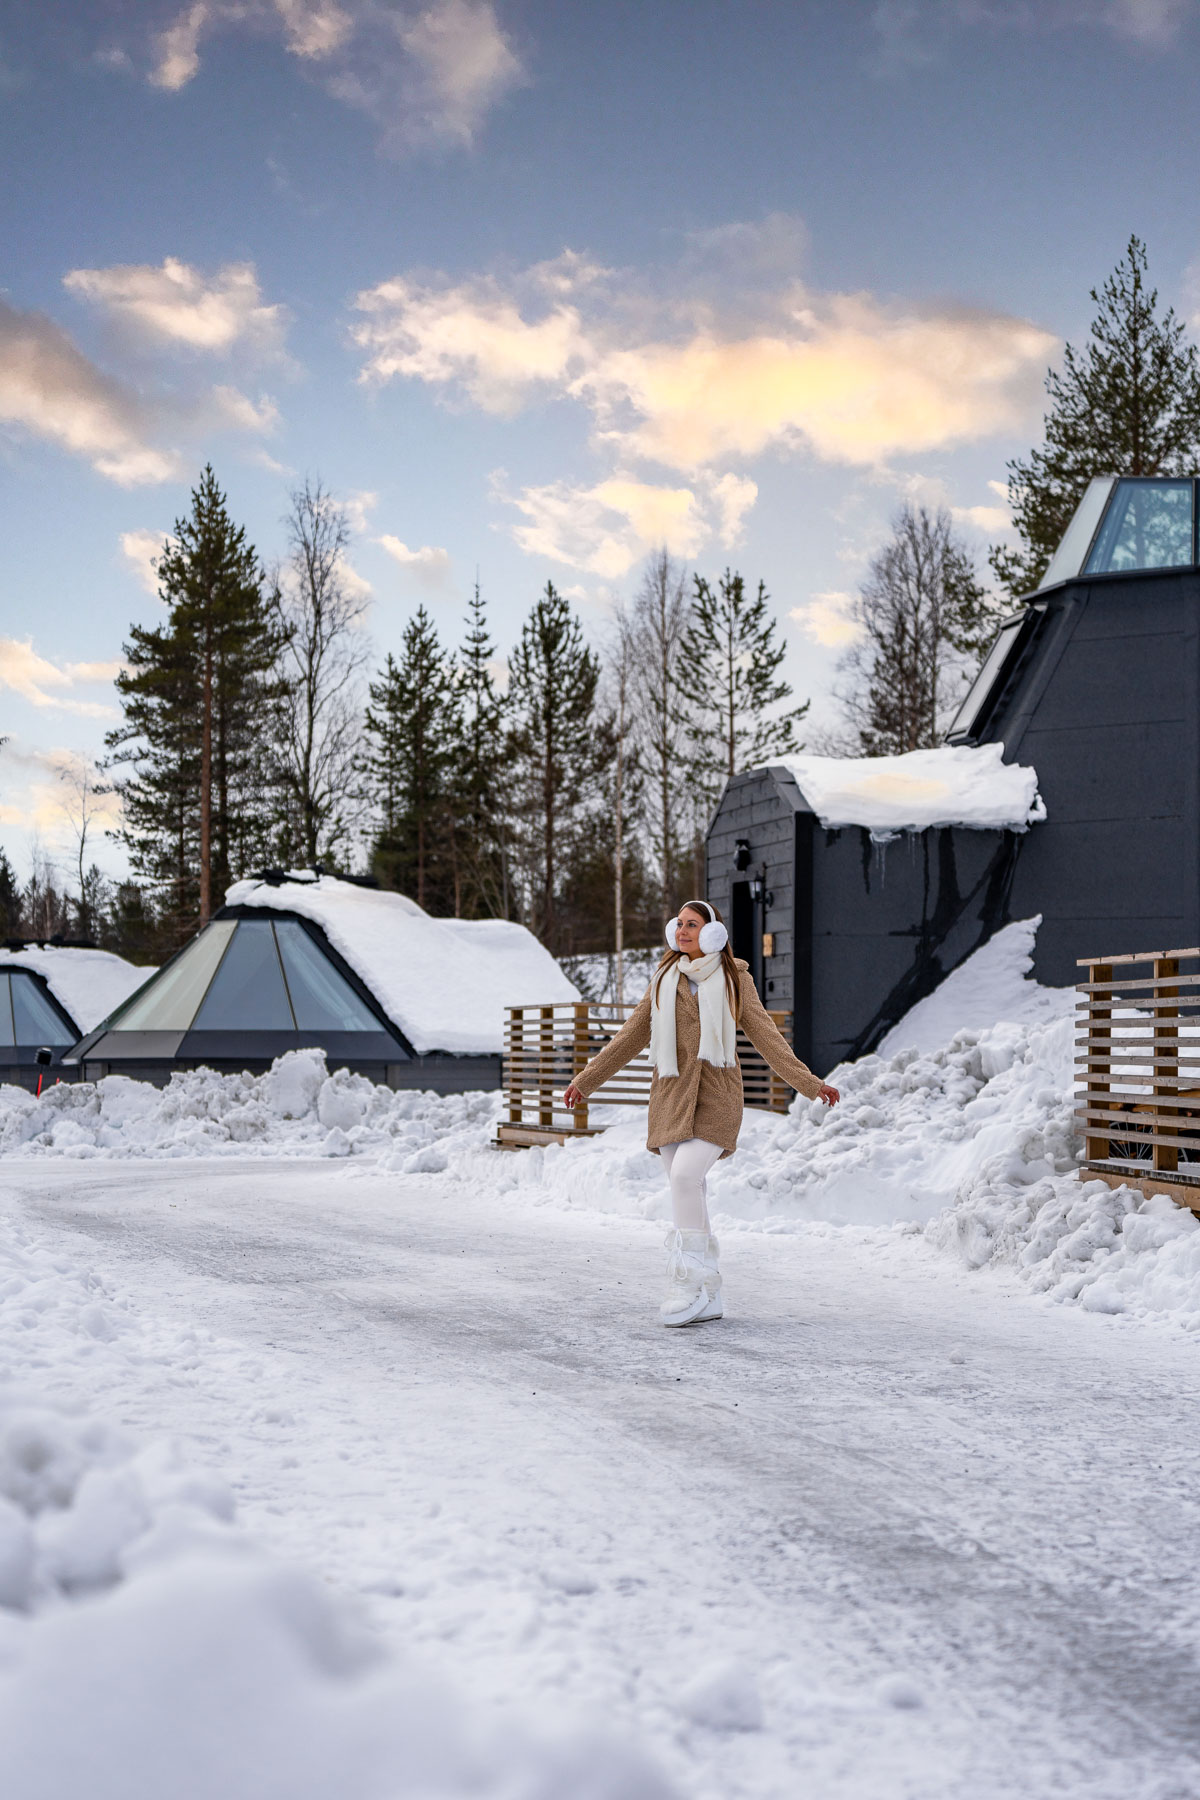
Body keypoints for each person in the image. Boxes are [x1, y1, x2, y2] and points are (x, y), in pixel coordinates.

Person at [564, 899, 839, 1327]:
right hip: (671, 1097)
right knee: (689, 1189)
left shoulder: (733, 980)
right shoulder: (663, 980)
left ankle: (687, 1283)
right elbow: (629, 1037)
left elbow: (768, 1038)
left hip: (717, 1097)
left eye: (693, 925)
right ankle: (709, 1293)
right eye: (679, 924)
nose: (683, 931)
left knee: (684, 1178)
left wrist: (810, 1083)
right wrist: (586, 1080)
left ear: (713, 933)